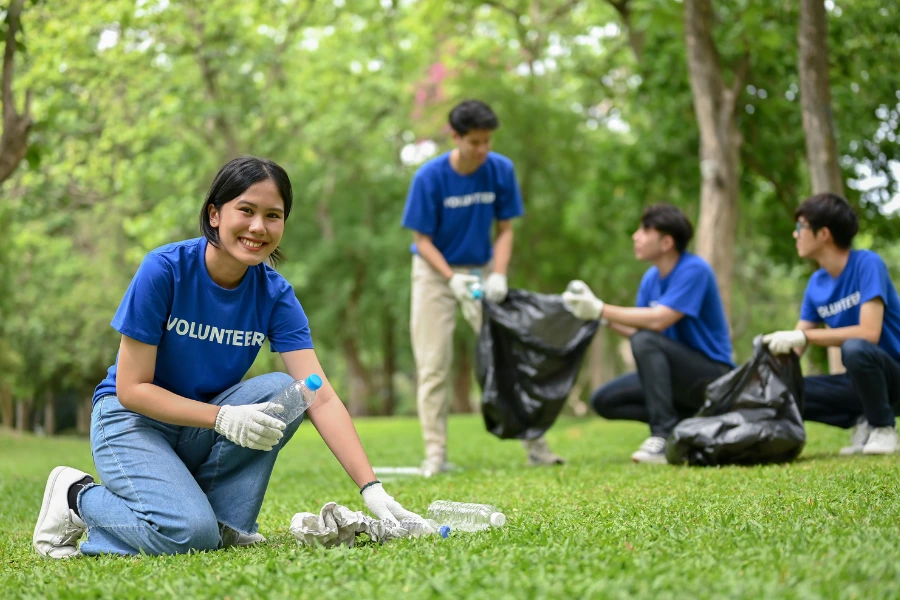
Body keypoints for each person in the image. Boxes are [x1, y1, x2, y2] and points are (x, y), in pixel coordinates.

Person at [32, 156, 422, 559]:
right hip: (132, 421)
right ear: (215, 213)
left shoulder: (275, 295)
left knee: (286, 392)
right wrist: (220, 417)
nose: (259, 227)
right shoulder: (164, 270)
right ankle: (76, 498)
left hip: (199, 426)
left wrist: (372, 490)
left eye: (273, 215)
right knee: (188, 536)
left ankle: (224, 524)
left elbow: (318, 394)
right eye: (246, 210)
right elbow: (131, 389)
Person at [401, 99, 563, 476]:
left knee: (507, 359)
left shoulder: (500, 170)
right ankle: (435, 456)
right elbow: (422, 240)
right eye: (475, 142)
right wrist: (451, 278)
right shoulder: (429, 177)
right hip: (433, 272)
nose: (483, 149)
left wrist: (498, 274)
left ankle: (537, 447)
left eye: (488, 141)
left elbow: (505, 229)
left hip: (483, 268)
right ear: (455, 137)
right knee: (433, 366)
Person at [562, 204, 734, 464]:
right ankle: (686, 426)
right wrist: (597, 317)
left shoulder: (694, 270)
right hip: (676, 376)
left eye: (644, 230)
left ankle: (663, 436)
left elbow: (658, 321)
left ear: (666, 242)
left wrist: (601, 308)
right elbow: (638, 329)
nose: (636, 236)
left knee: (646, 340)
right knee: (604, 400)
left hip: (712, 378)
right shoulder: (650, 279)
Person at [762, 193, 900, 455]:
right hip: (860, 382)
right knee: (784, 389)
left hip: (894, 374)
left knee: (855, 349)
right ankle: (864, 419)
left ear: (823, 233)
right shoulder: (816, 284)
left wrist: (805, 338)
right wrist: (764, 365)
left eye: (800, 227)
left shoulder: (867, 264)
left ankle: (882, 428)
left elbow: (869, 333)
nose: (795, 235)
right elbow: (796, 345)